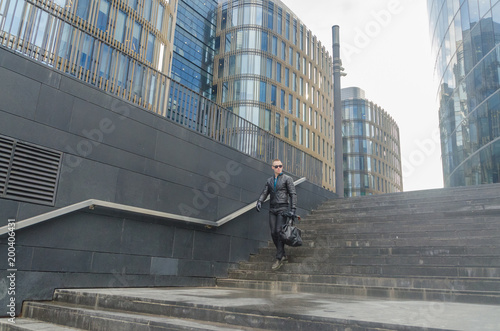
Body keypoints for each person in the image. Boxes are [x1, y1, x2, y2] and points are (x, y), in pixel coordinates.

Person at [256, 159, 297, 270]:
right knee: (273, 232)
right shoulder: (269, 180)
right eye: (277, 166)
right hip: (272, 209)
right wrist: (259, 201)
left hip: (283, 208)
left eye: (280, 166)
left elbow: (293, 194)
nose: (279, 168)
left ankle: (279, 258)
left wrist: (293, 209)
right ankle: (282, 253)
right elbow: (265, 192)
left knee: (279, 231)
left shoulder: (287, 179)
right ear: (272, 168)